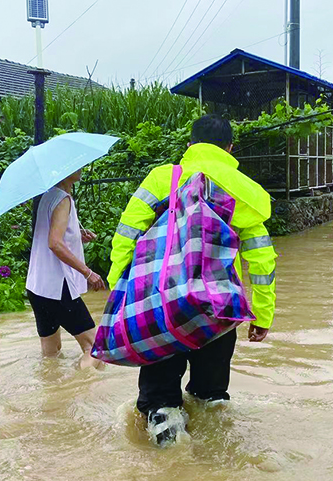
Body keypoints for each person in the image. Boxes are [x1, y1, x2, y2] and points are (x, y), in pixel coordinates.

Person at [107, 114, 278, 445]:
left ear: (190, 145)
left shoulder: (162, 179)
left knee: (159, 400)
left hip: (161, 307)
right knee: (210, 398)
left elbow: (125, 236)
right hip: (218, 310)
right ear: (229, 148)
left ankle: (169, 453)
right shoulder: (244, 190)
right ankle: (215, 461)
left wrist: (120, 296)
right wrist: (263, 312)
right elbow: (260, 257)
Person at [26, 168, 105, 369]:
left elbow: (51, 232)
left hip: (37, 287)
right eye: (76, 165)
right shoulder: (62, 199)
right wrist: (88, 272)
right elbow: (55, 243)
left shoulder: (48, 196)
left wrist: (76, 234)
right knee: (95, 349)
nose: (81, 168)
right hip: (57, 287)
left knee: (51, 353)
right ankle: (78, 393)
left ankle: (54, 396)